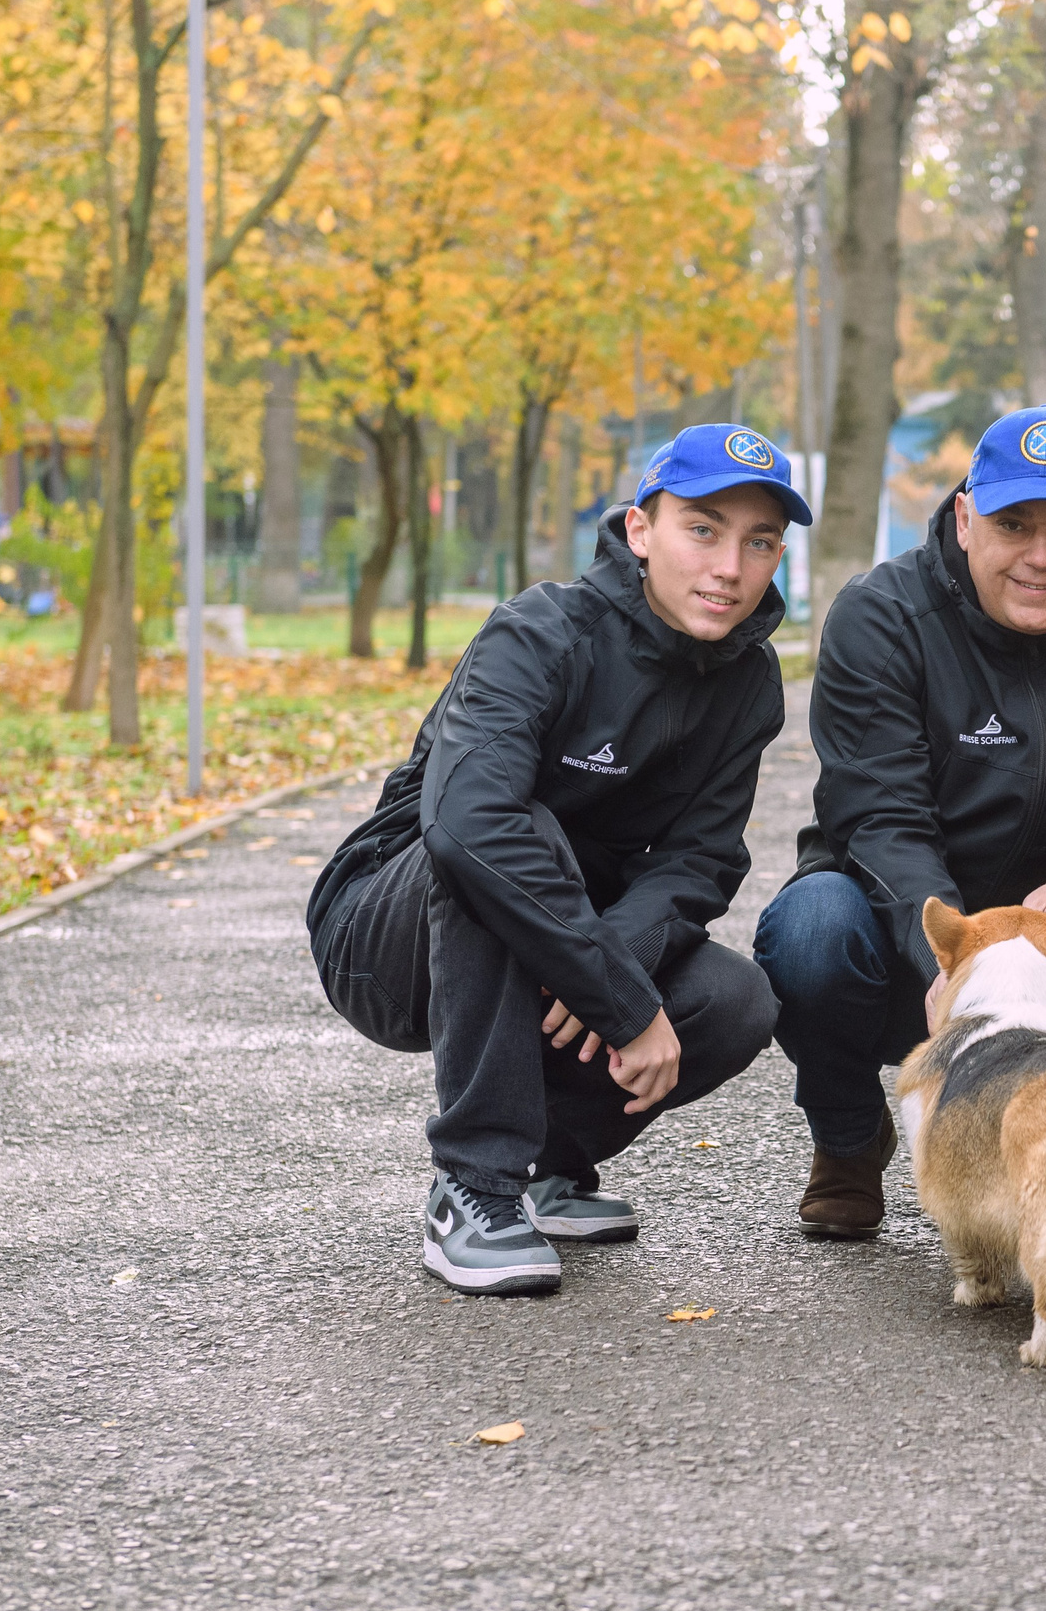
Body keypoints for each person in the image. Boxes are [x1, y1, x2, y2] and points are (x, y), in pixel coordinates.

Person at [306, 424, 803, 1295]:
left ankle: (543, 1167)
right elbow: (467, 826)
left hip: (557, 929)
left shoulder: (749, 685)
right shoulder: (539, 632)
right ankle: (474, 1184)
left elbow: (700, 861)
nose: (730, 564)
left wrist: (613, 964)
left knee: (736, 999)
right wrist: (614, 992)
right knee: (511, 838)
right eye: (703, 528)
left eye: (759, 541)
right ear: (640, 529)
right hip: (387, 930)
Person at [755, 405, 1046, 1237]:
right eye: (1014, 523)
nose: (1042, 556)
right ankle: (846, 1135)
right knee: (807, 930)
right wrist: (954, 947)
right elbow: (876, 812)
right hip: (917, 941)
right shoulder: (879, 615)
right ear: (966, 516)